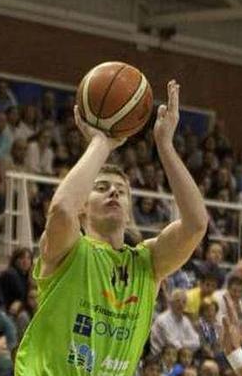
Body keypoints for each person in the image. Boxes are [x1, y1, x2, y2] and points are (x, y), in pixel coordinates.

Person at [14, 80, 208, 375]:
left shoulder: (148, 263)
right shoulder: (69, 249)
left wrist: (165, 146)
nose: (113, 193)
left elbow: (196, 224)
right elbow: (62, 208)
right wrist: (101, 143)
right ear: (84, 207)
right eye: (102, 187)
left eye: (121, 190)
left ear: (129, 211)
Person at [150, 289, 201, 355]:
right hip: (160, 356)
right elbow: (172, 343)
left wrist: (181, 342)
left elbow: (197, 342)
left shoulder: (185, 321)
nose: (181, 304)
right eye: (178, 301)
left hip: (180, 356)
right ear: (171, 303)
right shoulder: (162, 320)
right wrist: (186, 344)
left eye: (184, 302)